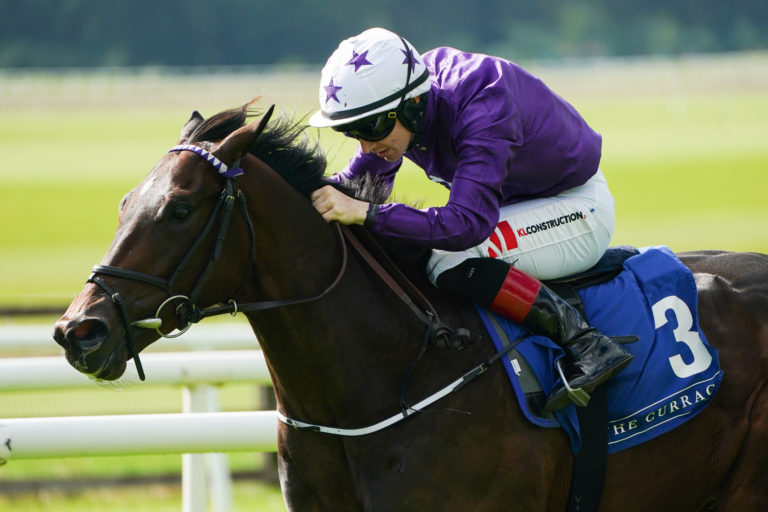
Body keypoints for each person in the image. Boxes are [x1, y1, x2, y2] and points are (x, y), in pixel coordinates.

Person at [308, 27, 632, 412]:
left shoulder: (483, 102)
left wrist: (368, 213)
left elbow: (466, 226)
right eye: (350, 130)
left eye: (371, 127)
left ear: (412, 103)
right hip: (525, 206)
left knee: (448, 258)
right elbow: (351, 184)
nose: (365, 144)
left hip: (575, 208)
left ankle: (587, 343)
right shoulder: (407, 94)